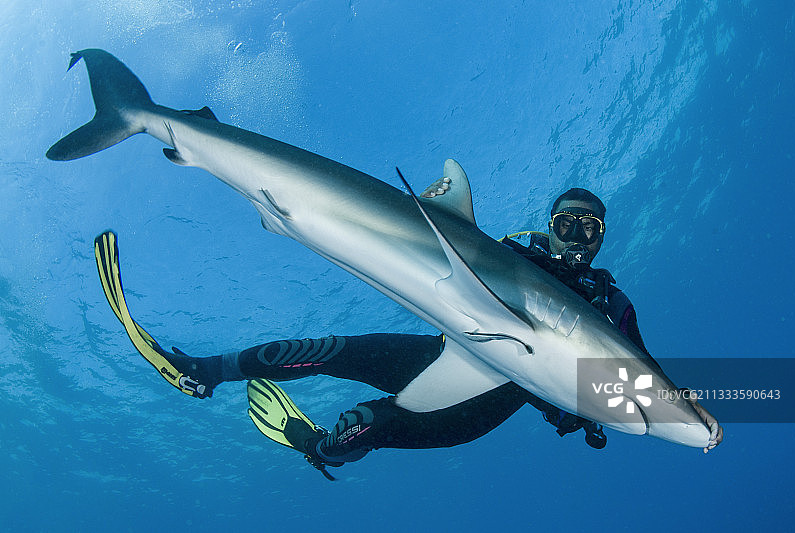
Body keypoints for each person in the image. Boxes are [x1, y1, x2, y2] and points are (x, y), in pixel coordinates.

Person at [95, 185, 722, 478]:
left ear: (603, 237)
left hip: (501, 394)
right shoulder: (513, 254)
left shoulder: (612, 306)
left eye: (592, 228)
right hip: (453, 342)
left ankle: (313, 445)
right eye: (568, 222)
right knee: (330, 350)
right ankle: (204, 371)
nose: (579, 236)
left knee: (370, 425)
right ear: (550, 224)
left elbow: (637, 379)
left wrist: (614, 409)